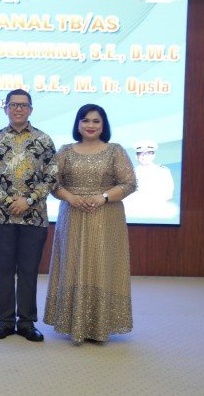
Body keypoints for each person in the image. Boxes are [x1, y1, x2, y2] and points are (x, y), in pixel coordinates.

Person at [43, 104, 136, 344]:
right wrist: (71, 197)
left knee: (101, 265)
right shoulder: (65, 151)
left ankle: (100, 325)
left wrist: (103, 197)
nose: (90, 125)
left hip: (105, 216)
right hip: (72, 215)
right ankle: (73, 323)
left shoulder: (115, 151)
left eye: (96, 121)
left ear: (104, 125)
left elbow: (129, 183)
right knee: (73, 264)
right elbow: (52, 183)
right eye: (85, 120)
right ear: (78, 124)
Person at [0, 88, 57, 342]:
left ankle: (26, 322)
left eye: (23, 105)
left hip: (34, 216)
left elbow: (52, 177)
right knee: (4, 269)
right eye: (13, 105)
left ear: (31, 109)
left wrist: (29, 200)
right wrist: (10, 201)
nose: (18, 109)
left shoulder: (44, 140)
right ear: (6, 108)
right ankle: (4, 322)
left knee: (28, 270)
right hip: (2, 216)